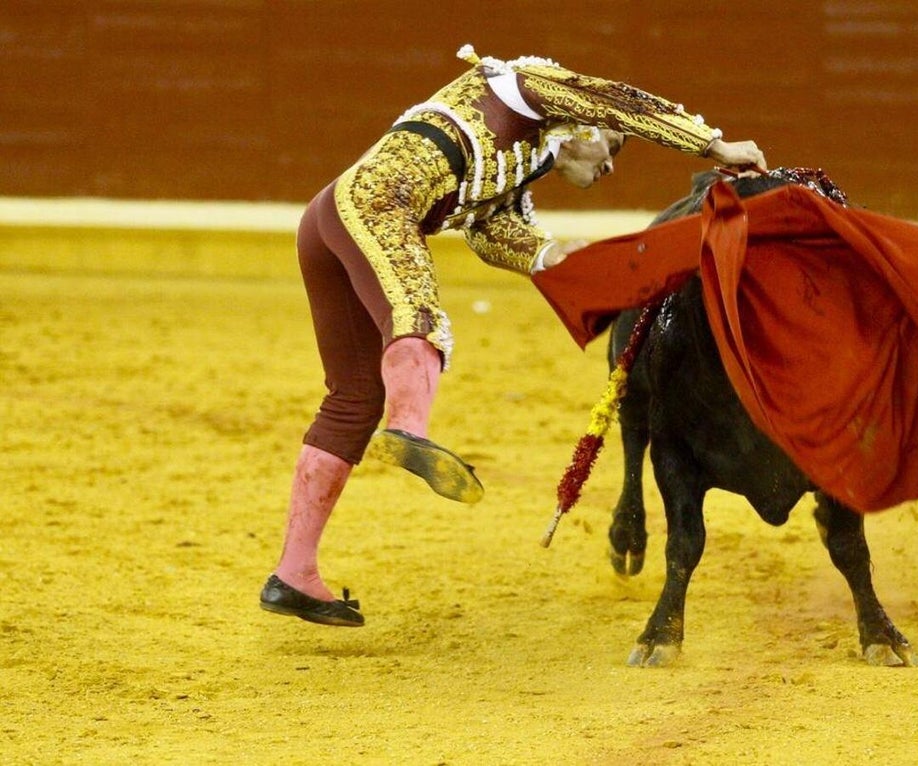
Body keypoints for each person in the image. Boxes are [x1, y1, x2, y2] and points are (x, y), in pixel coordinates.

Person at [259, 44, 767, 627]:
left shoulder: (518, 167)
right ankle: (407, 429)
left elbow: (493, 233)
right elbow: (620, 101)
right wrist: (714, 144)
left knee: (351, 398)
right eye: (611, 147)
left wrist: (563, 259)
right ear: (584, 127)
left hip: (328, 220)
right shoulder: (523, 87)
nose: (610, 165)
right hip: (375, 205)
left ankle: (293, 575)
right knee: (418, 316)